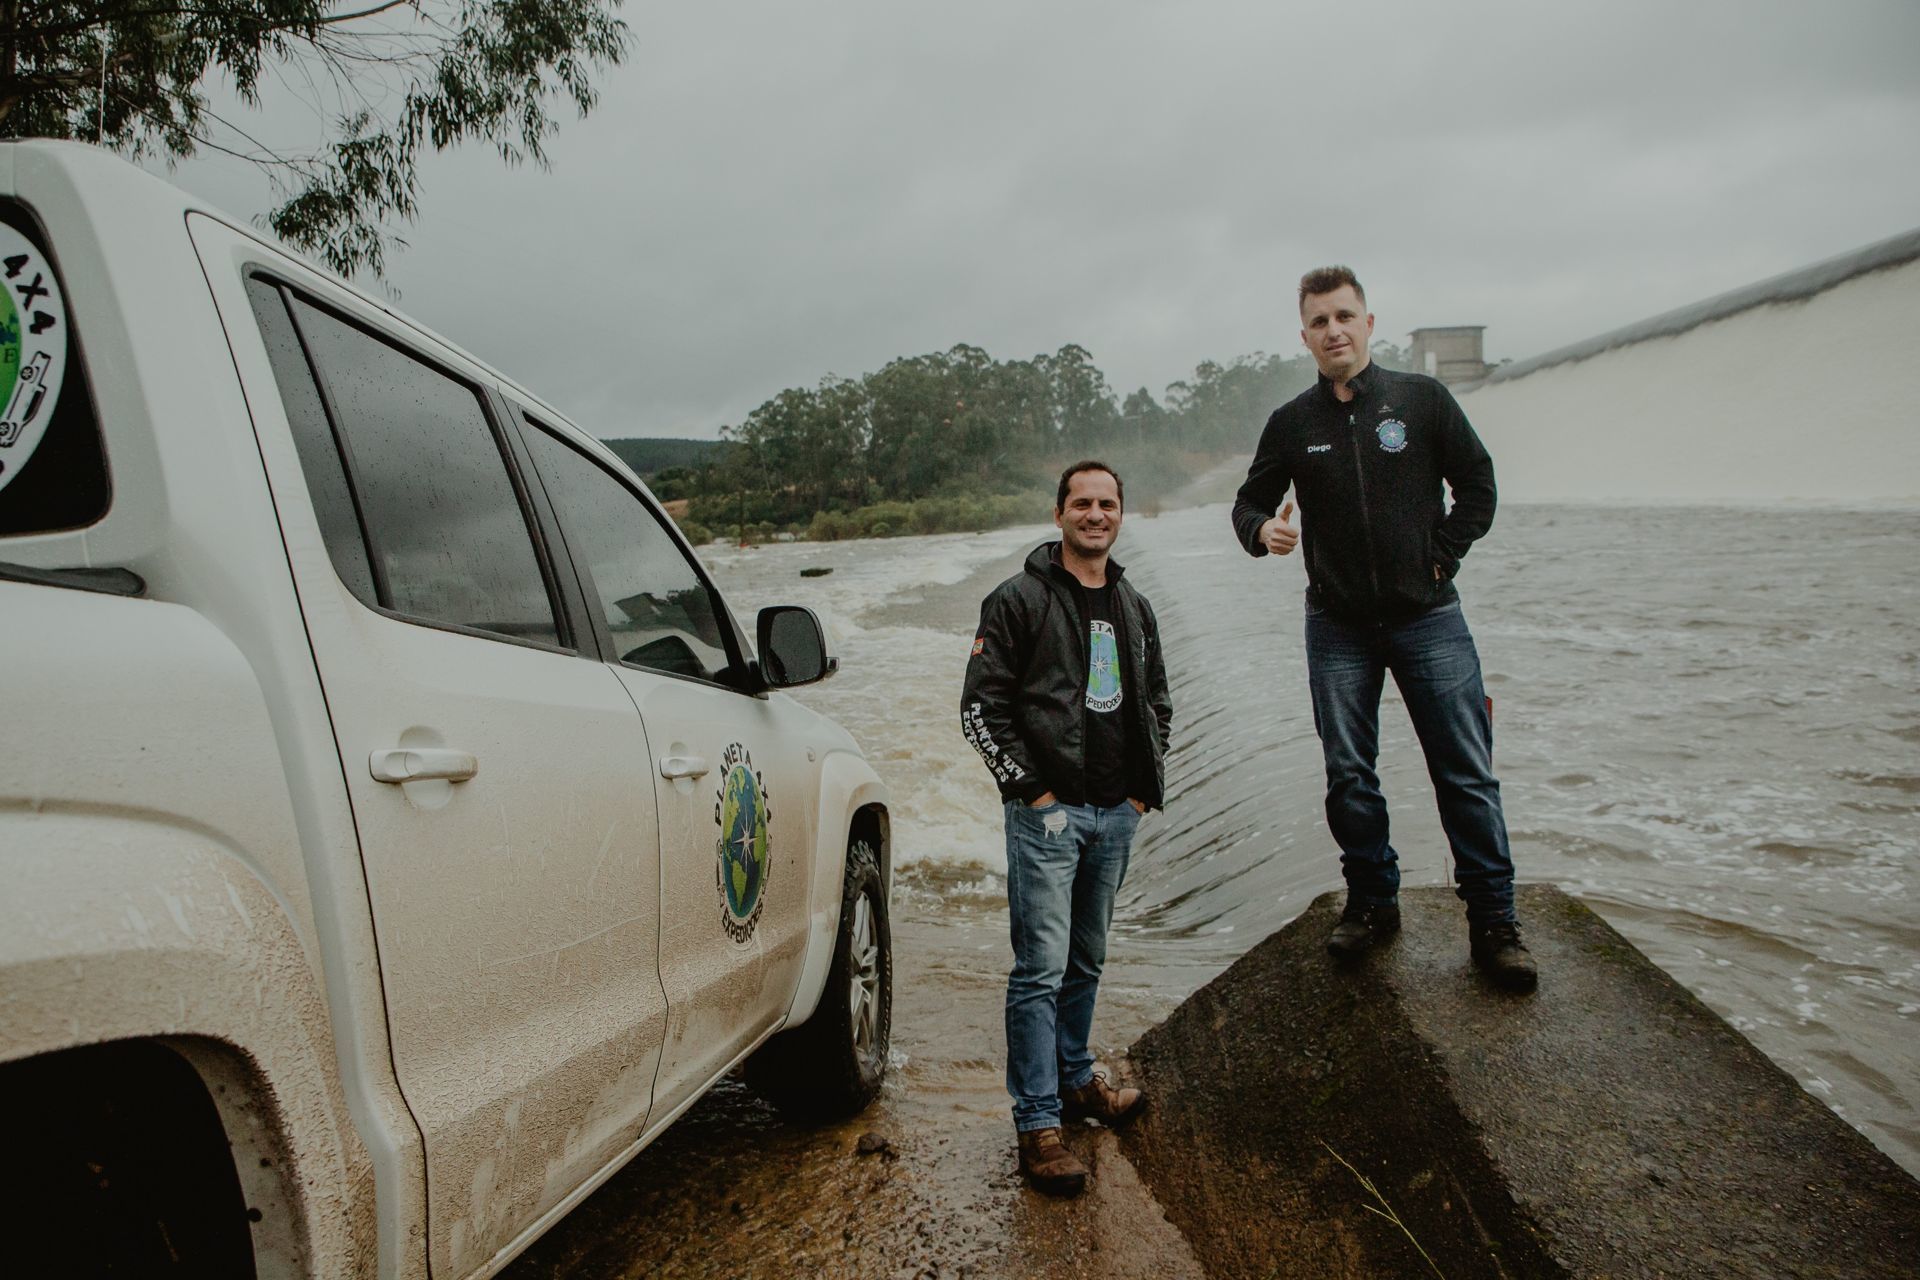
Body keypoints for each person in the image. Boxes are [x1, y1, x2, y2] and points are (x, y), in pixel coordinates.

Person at [1230, 265, 1537, 992]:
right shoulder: (1292, 424)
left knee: (1464, 773)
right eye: (1318, 321)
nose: (1333, 330)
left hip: (1430, 620)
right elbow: (1249, 504)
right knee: (1349, 776)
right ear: (1303, 336)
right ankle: (1372, 901)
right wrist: (1262, 533)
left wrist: (1440, 558)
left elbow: (1480, 487)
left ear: (1369, 323)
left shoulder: (1422, 401)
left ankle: (1495, 922)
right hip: (1337, 627)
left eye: (1344, 316)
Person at [961, 460, 1173, 1196]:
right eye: (1081, 503)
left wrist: (1140, 797)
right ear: (1059, 515)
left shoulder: (1134, 604)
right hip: (1046, 817)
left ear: (1121, 514)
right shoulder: (1017, 600)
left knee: (1085, 961)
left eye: (1107, 503)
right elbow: (979, 711)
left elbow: (1157, 704)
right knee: (1039, 970)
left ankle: (1079, 1080)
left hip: (1116, 815)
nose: (1095, 514)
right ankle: (1039, 1125)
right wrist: (1038, 797)